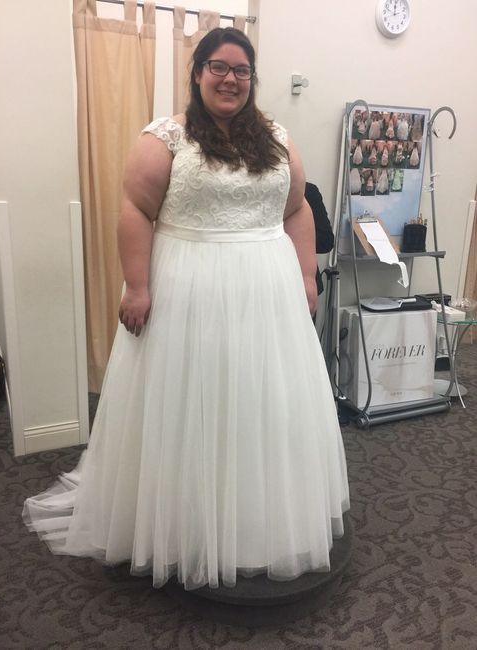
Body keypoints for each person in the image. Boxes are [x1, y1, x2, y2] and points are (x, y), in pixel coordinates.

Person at [23, 27, 349, 591]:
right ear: (197, 73)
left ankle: (255, 519)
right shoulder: (166, 137)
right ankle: (181, 522)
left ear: (252, 79)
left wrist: (304, 274)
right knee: (190, 399)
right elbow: (135, 209)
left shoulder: (276, 138)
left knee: (260, 401)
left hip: (266, 292)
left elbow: (296, 209)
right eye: (218, 67)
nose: (230, 79)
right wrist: (136, 286)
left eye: (241, 70)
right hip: (189, 289)